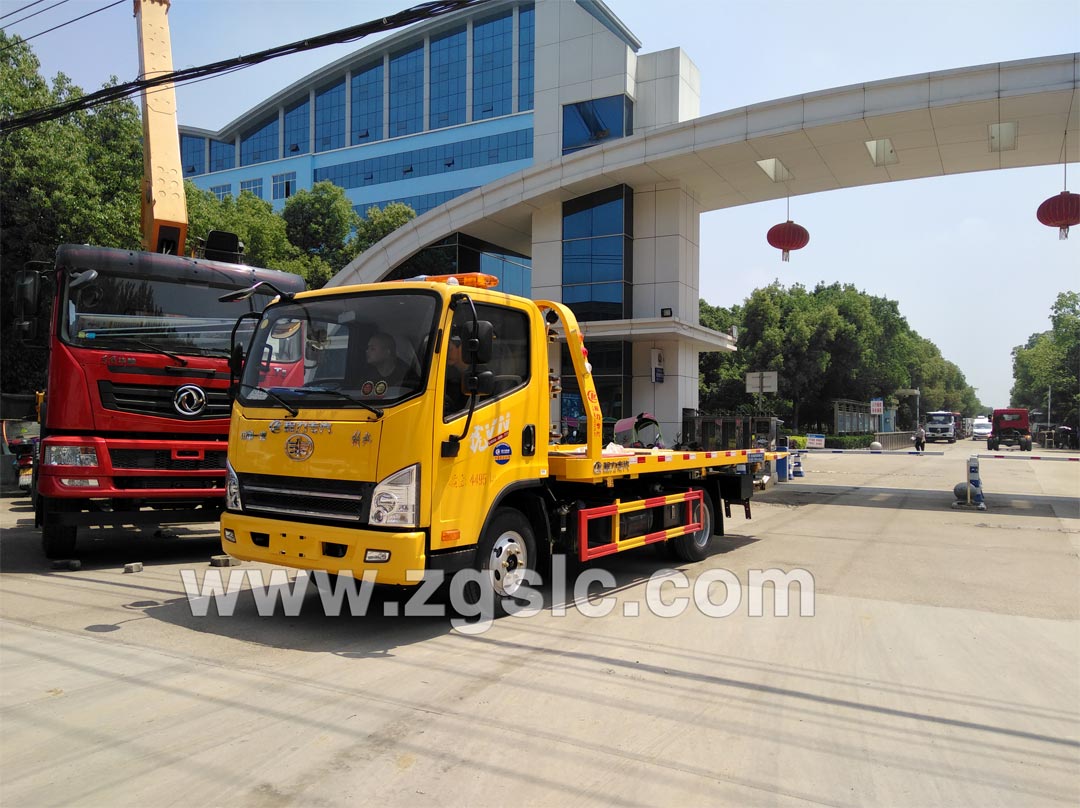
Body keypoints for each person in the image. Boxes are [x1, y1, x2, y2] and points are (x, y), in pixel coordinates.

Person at [443, 330, 471, 416]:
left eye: (450, 349)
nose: (447, 354)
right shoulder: (446, 373)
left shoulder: (477, 373)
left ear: (462, 348)